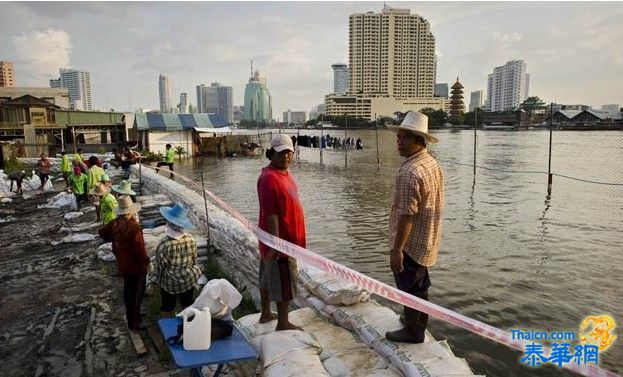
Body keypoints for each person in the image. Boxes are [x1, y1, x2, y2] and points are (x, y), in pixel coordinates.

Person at [385, 111, 445, 344]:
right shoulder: (431, 163)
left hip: (410, 243)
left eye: (403, 138)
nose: (398, 143)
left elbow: (406, 216)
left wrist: (397, 249)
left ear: (417, 140)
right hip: (427, 238)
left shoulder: (410, 172)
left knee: (409, 286)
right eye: (398, 137)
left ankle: (414, 331)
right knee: (420, 285)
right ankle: (416, 323)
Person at [256, 134, 306, 331]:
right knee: (284, 282)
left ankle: (265, 313)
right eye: (281, 152)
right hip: (281, 243)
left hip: (281, 240)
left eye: (289, 152)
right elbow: (271, 214)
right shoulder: (269, 179)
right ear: (272, 153)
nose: (286, 156)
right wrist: (276, 244)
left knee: (267, 277)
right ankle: (283, 323)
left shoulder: (282, 173)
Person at [98, 195, 149, 330]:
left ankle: (131, 315)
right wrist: (146, 261)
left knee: (128, 291)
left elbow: (101, 232)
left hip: (123, 264)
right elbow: (139, 249)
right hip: (136, 266)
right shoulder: (134, 227)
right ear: (131, 211)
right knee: (138, 293)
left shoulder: (114, 223)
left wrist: (114, 242)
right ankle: (135, 321)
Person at [150, 203, 202, 317]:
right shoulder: (191, 240)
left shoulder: (164, 244)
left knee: (167, 307)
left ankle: (169, 326)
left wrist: (153, 283)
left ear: (169, 223)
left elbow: (159, 267)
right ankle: (189, 326)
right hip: (188, 279)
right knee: (188, 304)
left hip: (170, 283)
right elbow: (194, 260)